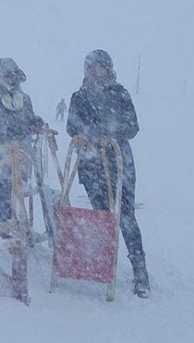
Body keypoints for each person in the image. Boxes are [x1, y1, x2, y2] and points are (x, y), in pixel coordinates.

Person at [66, 49, 150, 298]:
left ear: (109, 68)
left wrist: (108, 134)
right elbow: (72, 126)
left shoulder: (120, 93)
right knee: (101, 218)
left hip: (120, 164)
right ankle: (104, 267)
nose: (97, 72)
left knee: (126, 217)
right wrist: (92, 135)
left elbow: (132, 125)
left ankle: (140, 272)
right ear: (86, 70)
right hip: (92, 167)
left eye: (101, 67)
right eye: (92, 68)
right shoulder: (78, 97)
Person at [0, 58, 43, 231]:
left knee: (32, 187)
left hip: (21, 155)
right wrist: (6, 133)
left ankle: (23, 225)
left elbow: (28, 122)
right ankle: (5, 226)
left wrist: (35, 123)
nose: (12, 79)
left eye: (14, 75)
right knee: (6, 185)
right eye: (7, 75)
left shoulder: (25, 99)